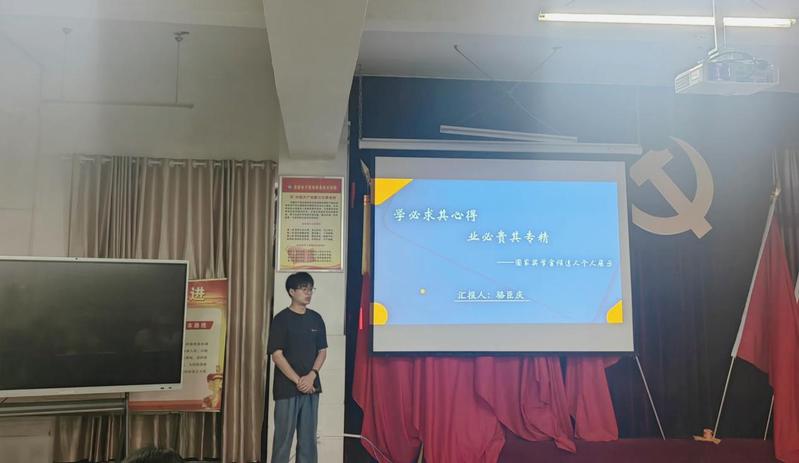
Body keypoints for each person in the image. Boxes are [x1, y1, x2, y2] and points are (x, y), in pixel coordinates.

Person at [267, 272, 328, 463]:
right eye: (303, 289)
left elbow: (322, 351)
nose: (308, 293)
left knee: (308, 440)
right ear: (292, 292)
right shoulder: (281, 319)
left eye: (310, 289)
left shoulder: (316, 318)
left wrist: (311, 376)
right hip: (287, 388)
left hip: (311, 387)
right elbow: (277, 355)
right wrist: (299, 381)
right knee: (283, 440)